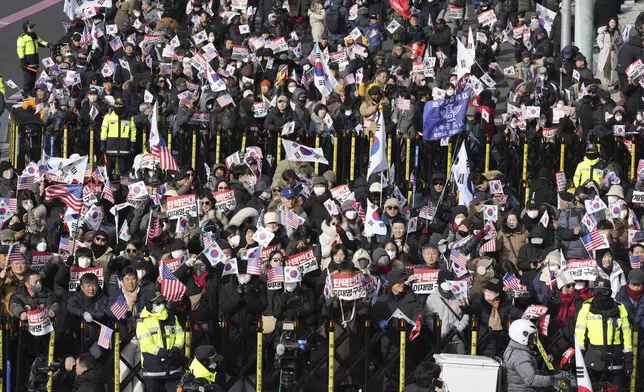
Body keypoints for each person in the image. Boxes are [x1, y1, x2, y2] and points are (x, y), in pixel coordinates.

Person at [575, 278, 633, 391]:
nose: (600, 295)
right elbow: (579, 333)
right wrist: (579, 356)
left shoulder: (620, 308)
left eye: (604, 292)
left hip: (616, 360)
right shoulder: (586, 307)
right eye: (597, 292)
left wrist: (629, 359)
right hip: (594, 361)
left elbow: (626, 336)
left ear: (610, 292)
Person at [136, 292, 185, 391]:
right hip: (153, 371)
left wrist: (176, 348)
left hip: (173, 369)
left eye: (162, 302)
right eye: (158, 304)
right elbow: (146, 344)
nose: (161, 305)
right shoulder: (143, 321)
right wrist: (163, 353)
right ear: (149, 305)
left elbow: (180, 334)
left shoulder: (171, 317)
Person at [503, 319, 568, 392]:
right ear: (522, 337)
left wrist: (543, 374)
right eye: (531, 337)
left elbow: (524, 371)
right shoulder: (520, 357)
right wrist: (553, 380)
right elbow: (531, 380)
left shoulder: (512, 349)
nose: (533, 340)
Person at [101, 97, 137, 176]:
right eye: (117, 106)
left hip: (124, 148)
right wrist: (103, 144)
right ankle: (109, 186)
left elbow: (133, 132)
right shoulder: (108, 116)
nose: (118, 108)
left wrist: (132, 146)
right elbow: (104, 131)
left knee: (124, 172)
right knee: (109, 170)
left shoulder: (129, 117)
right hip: (111, 147)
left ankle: (124, 187)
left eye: (120, 106)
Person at [16, 20, 51, 97]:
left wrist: (48, 45)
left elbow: (40, 42)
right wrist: (23, 61)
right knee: (27, 79)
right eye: (30, 27)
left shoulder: (34, 35)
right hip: (27, 62)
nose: (32, 28)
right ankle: (26, 93)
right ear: (26, 28)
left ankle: (31, 91)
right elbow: (20, 51)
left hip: (35, 61)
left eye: (32, 27)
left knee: (33, 79)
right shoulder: (22, 38)